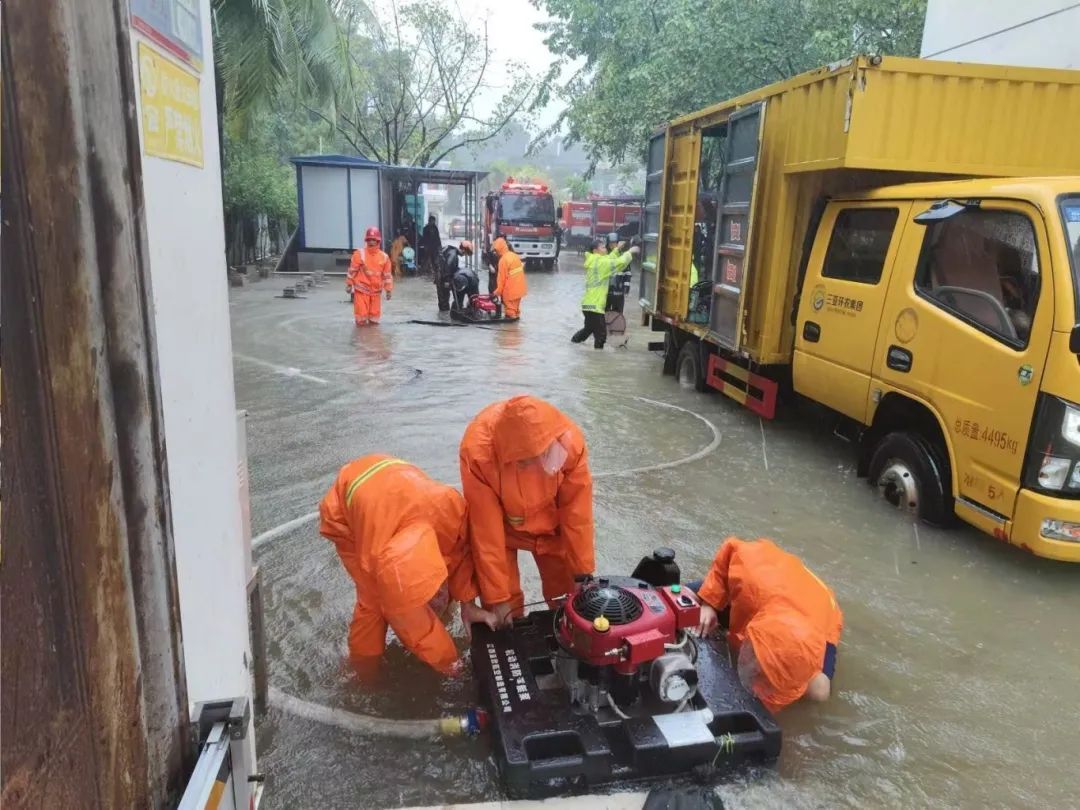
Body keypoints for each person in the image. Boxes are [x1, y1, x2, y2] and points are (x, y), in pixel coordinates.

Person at [318, 454, 498, 677]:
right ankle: (363, 672)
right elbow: (410, 621)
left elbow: (459, 550)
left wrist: (468, 603)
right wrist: (448, 661)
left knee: (427, 580)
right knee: (373, 604)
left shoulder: (450, 508)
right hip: (344, 515)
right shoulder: (379, 561)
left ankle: (432, 615)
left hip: (395, 486)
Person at [459, 396, 594, 625]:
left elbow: (577, 515)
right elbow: (486, 532)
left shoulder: (569, 444)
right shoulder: (478, 454)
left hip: (552, 528)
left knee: (568, 599)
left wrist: (582, 574)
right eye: (526, 463)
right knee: (503, 613)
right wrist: (498, 597)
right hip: (503, 529)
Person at [688, 538, 843, 714]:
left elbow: (788, 686)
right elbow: (730, 548)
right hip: (771, 581)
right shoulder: (751, 573)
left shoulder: (810, 647)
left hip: (820, 606)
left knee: (819, 691)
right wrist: (710, 603)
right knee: (682, 599)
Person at [572, 238, 638, 349]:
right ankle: (597, 359)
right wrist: (630, 252)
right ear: (595, 250)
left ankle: (573, 343)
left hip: (588, 305)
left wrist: (617, 249)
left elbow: (609, 259)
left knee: (588, 329)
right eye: (602, 247)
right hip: (595, 306)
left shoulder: (594, 260)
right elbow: (618, 263)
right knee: (601, 335)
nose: (605, 249)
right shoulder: (600, 263)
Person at [347, 227, 393, 326]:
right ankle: (360, 339)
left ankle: (372, 339)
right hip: (361, 291)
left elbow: (387, 276)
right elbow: (352, 270)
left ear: (378, 241)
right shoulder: (359, 254)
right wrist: (349, 284)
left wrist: (388, 290)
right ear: (366, 240)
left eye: (373, 240)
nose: (371, 242)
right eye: (369, 240)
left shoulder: (384, 257)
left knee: (374, 320)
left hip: (376, 293)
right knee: (361, 318)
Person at [492, 237, 528, 320]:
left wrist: (496, 292)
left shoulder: (503, 260)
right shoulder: (514, 255)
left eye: (495, 251)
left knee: (510, 313)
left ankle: (510, 331)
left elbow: (501, 280)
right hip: (520, 290)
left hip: (510, 292)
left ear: (498, 249)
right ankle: (516, 329)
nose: (495, 253)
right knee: (516, 311)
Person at [436, 240, 474, 312]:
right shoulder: (453, 255)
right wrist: (447, 281)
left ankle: (444, 316)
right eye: (466, 253)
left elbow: (450, 267)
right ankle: (444, 319)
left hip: (441, 278)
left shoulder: (451, 251)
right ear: (463, 249)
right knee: (444, 301)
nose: (464, 255)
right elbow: (448, 267)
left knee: (443, 300)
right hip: (443, 279)